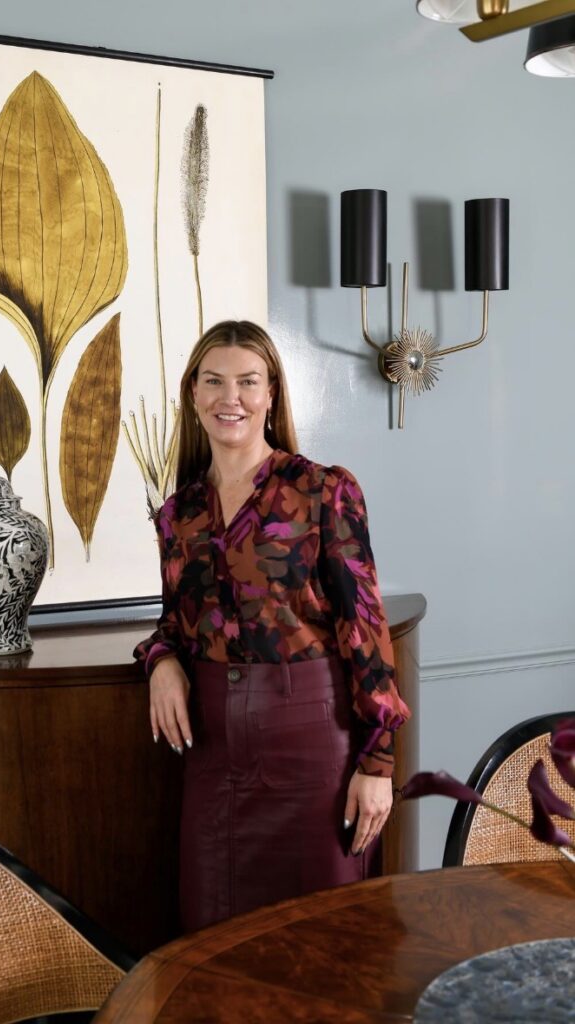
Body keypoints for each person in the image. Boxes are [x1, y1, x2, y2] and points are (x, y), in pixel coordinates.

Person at [134, 320, 411, 933]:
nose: (229, 397)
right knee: (210, 947)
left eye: (247, 382)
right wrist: (162, 662)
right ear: (193, 394)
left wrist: (376, 766)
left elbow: (364, 628)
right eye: (214, 381)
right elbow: (175, 624)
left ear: (270, 395)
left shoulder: (322, 491)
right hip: (213, 758)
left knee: (322, 944)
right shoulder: (178, 514)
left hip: (312, 752)